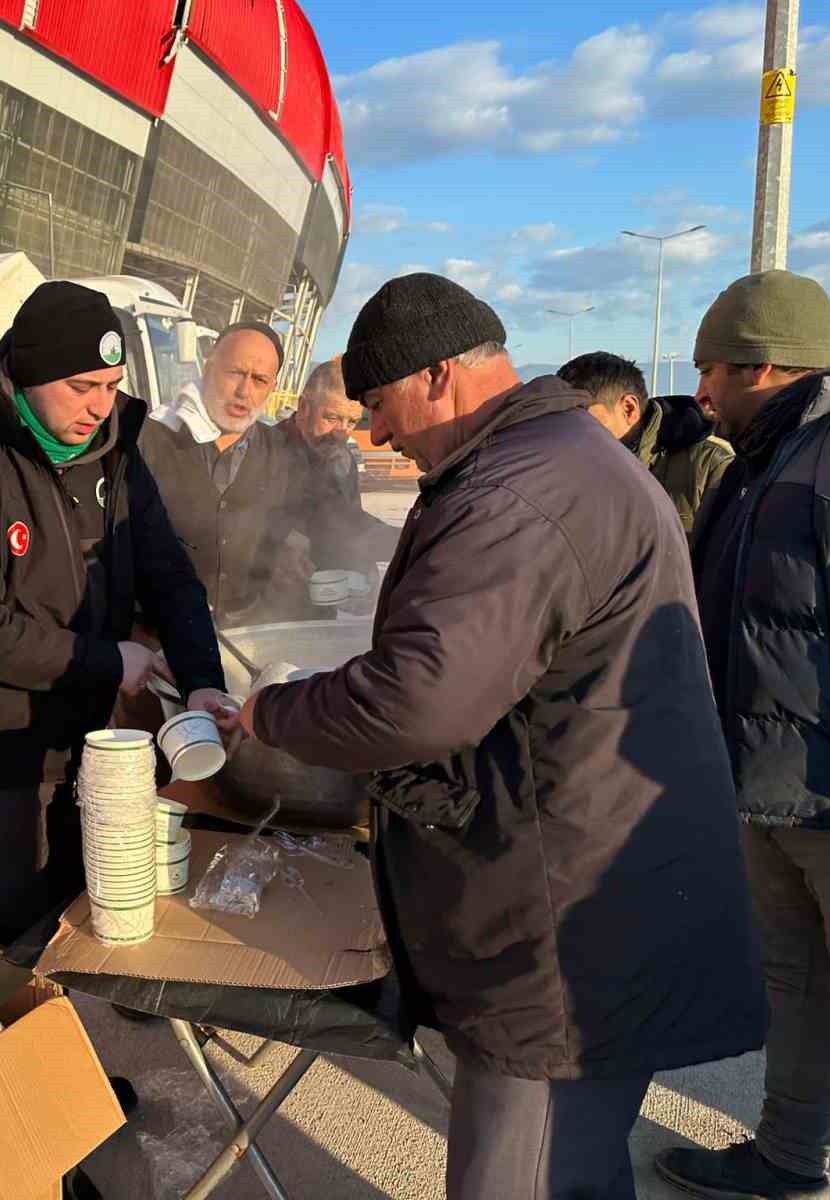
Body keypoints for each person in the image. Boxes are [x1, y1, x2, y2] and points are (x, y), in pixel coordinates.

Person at [236, 273, 765, 1199]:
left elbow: (419, 701)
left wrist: (271, 711)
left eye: (380, 402)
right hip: (592, 880)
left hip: (565, 919)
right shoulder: (550, 458)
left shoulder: (522, 490)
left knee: (519, 1176)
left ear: (439, 375)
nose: (376, 432)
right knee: (573, 1168)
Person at [655, 271, 830, 1200]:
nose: (701, 390)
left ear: (761, 364)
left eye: (712, 368)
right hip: (767, 788)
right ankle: (789, 1158)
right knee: (795, 987)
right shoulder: (764, 458)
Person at [0, 281, 232, 949]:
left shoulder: (117, 457)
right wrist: (111, 659)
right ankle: (21, 1047)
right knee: (13, 942)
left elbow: (169, 574)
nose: (100, 406)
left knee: (99, 912)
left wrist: (203, 679)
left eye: (111, 386)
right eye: (83, 386)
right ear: (28, 372)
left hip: (94, 740)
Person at [138, 322, 316, 625]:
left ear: (272, 388)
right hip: (157, 640)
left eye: (259, 380)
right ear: (208, 369)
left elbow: (308, 525)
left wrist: (298, 555)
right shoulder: (150, 439)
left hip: (246, 636)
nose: (244, 391)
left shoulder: (284, 453)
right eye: (235, 373)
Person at [557, 350, 733, 531]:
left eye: (582, 420)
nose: (574, 432)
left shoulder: (711, 466)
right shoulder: (565, 469)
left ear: (628, 409)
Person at [275, 357, 401, 582]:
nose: (341, 434)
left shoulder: (343, 459)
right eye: (332, 418)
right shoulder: (265, 450)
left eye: (351, 422)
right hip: (266, 607)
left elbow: (350, 522)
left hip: (325, 596)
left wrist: (364, 572)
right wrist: (281, 542)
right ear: (304, 407)